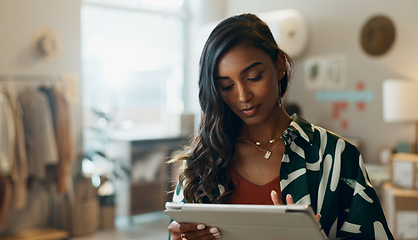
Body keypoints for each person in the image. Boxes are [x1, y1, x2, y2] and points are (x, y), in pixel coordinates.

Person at [167, 13, 393, 240]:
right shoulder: (201, 163)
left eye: (254, 77)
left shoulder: (336, 156)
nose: (243, 96)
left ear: (279, 65)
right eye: (226, 86)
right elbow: (177, 231)